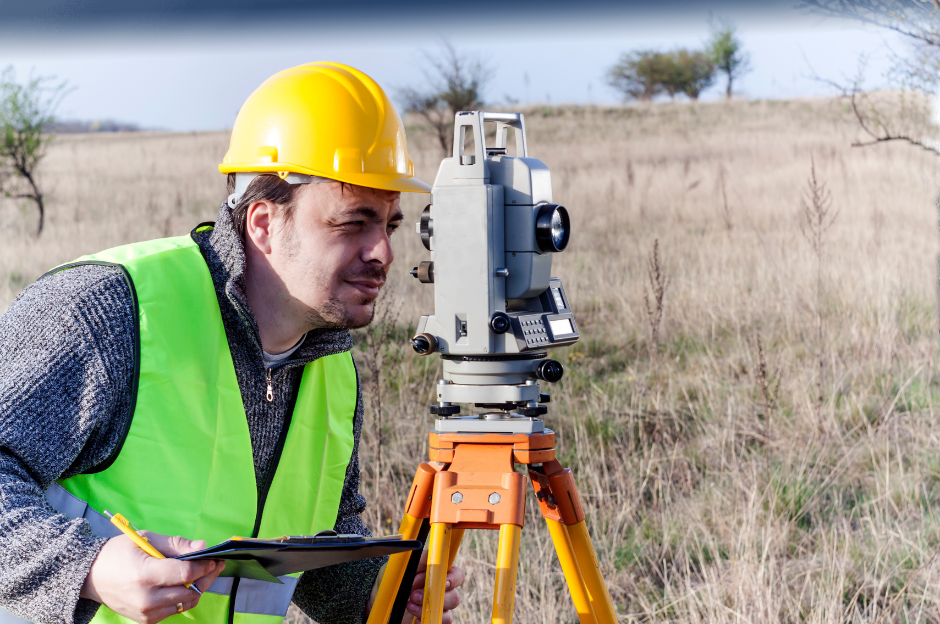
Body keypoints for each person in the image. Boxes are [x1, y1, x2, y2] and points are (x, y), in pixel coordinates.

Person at [0, 62, 464, 624]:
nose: (383, 254)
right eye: (352, 223)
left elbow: (303, 548)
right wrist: (91, 568)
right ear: (264, 222)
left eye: (389, 225)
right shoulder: (108, 312)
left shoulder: (330, 366)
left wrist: (377, 593)